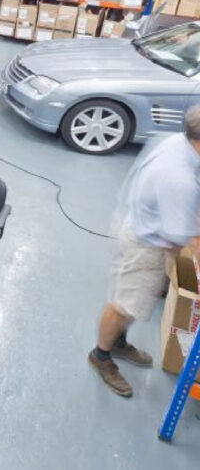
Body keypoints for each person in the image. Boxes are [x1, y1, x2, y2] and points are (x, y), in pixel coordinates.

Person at [89, 104, 200, 397]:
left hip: (135, 223)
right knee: (124, 305)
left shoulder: (175, 141)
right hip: (146, 245)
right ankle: (101, 356)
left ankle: (118, 342)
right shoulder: (180, 180)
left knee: (132, 302)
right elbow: (183, 237)